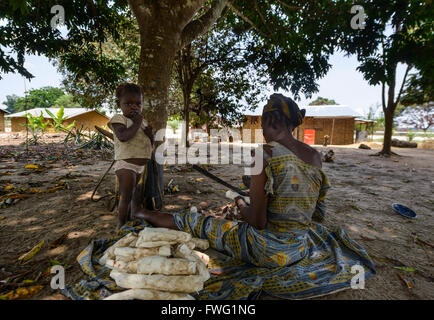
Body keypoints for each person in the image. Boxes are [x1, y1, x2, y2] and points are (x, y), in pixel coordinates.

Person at [133, 93, 329, 268]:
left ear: (272, 122)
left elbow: (258, 222)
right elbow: (317, 214)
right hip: (298, 248)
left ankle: (141, 212)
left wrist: (240, 201)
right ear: (293, 124)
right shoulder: (315, 157)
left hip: (266, 251)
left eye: (263, 127)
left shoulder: (264, 154)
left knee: (193, 221)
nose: (263, 133)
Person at [108, 83, 154, 231]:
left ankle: (129, 219)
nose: (134, 107)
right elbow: (122, 136)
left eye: (138, 104)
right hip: (126, 165)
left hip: (140, 167)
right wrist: (137, 123)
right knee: (126, 196)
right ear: (119, 104)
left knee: (134, 195)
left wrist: (150, 136)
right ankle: (120, 225)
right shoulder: (119, 119)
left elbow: (149, 144)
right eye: (129, 103)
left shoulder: (142, 122)